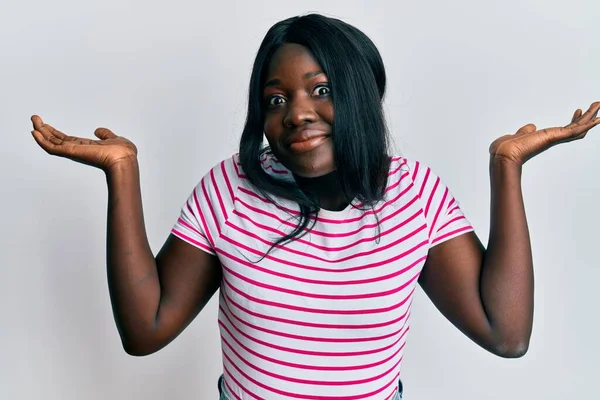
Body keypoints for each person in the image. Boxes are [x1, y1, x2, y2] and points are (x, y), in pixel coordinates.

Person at [30, 13, 599, 400]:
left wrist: (506, 167)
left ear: (359, 96)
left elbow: (507, 333)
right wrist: (122, 172)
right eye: (275, 99)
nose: (296, 113)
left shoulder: (414, 193)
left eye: (321, 90)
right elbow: (145, 330)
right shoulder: (229, 190)